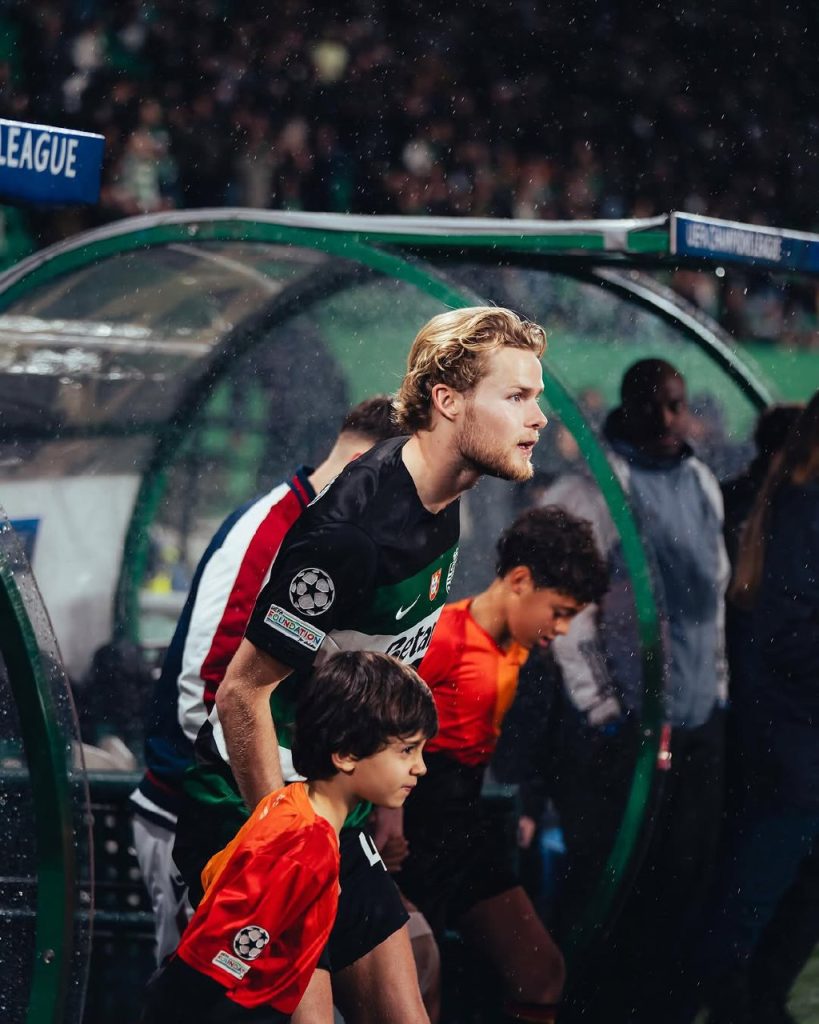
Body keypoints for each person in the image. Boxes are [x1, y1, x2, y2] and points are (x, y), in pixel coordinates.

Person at [173, 306, 549, 1024]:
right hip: (253, 810)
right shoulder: (348, 533)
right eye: (516, 396)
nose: (538, 418)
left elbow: (392, 667)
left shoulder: (445, 493)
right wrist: (285, 850)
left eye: (536, 398)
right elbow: (240, 696)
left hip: (334, 809)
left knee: (412, 999)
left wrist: (386, 806)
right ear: (447, 400)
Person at [130, 396, 402, 965]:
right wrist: (272, 811)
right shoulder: (270, 528)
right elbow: (204, 689)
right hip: (202, 805)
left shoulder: (339, 535)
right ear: (368, 465)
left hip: (281, 808)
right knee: (206, 992)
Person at [497, 359, 731, 1023]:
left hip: (693, 717)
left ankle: (655, 1005)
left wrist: (714, 689)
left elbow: (709, 600)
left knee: (680, 875)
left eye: (676, 404)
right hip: (622, 724)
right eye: (655, 404)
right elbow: (569, 621)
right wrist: (603, 708)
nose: (669, 418)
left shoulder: (698, 481)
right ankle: (591, 1005)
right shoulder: (596, 490)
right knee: (610, 876)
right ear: (628, 408)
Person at [141, 650, 438, 1024]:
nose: (420, 767)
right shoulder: (299, 846)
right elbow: (205, 968)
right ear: (346, 753)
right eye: (407, 750)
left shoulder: (297, 817)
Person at [397, 506, 607, 1023]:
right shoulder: (443, 637)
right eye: (558, 612)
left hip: (467, 829)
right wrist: (388, 817)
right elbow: (381, 726)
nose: (562, 629)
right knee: (418, 983)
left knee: (542, 972)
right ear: (519, 581)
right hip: (414, 829)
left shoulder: (530, 658)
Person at [696, 391, 819, 1024]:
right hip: (789, 742)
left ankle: (755, 1004)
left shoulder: (789, 504)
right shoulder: (801, 508)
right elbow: (785, 636)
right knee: (753, 896)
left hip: (788, 738)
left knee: (778, 893)